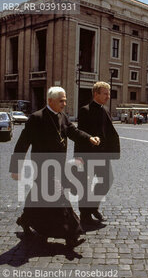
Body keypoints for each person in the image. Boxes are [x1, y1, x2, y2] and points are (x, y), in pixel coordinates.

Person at [9, 86, 100, 251]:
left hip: (58, 166)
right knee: (60, 199)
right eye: (61, 100)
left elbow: (74, 132)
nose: (64, 103)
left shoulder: (62, 116)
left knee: (39, 197)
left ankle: (25, 219)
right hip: (43, 167)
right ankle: (72, 236)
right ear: (50, 101)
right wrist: (16, 168)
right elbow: (22, 144)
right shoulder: (36, 118)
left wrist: (89, 138)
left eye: (65, 100)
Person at [74, 81, 120, 225]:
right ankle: (85, 215)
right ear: (96, 94)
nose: (108, 96)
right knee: (85, 185)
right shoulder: (85, 110)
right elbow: (79, 135)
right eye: (105, 93)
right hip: (87, 155)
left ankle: (93, 207)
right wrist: (78, 157)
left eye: (109, 93)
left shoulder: (104, 110)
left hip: (103, 155)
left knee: (107, 181)